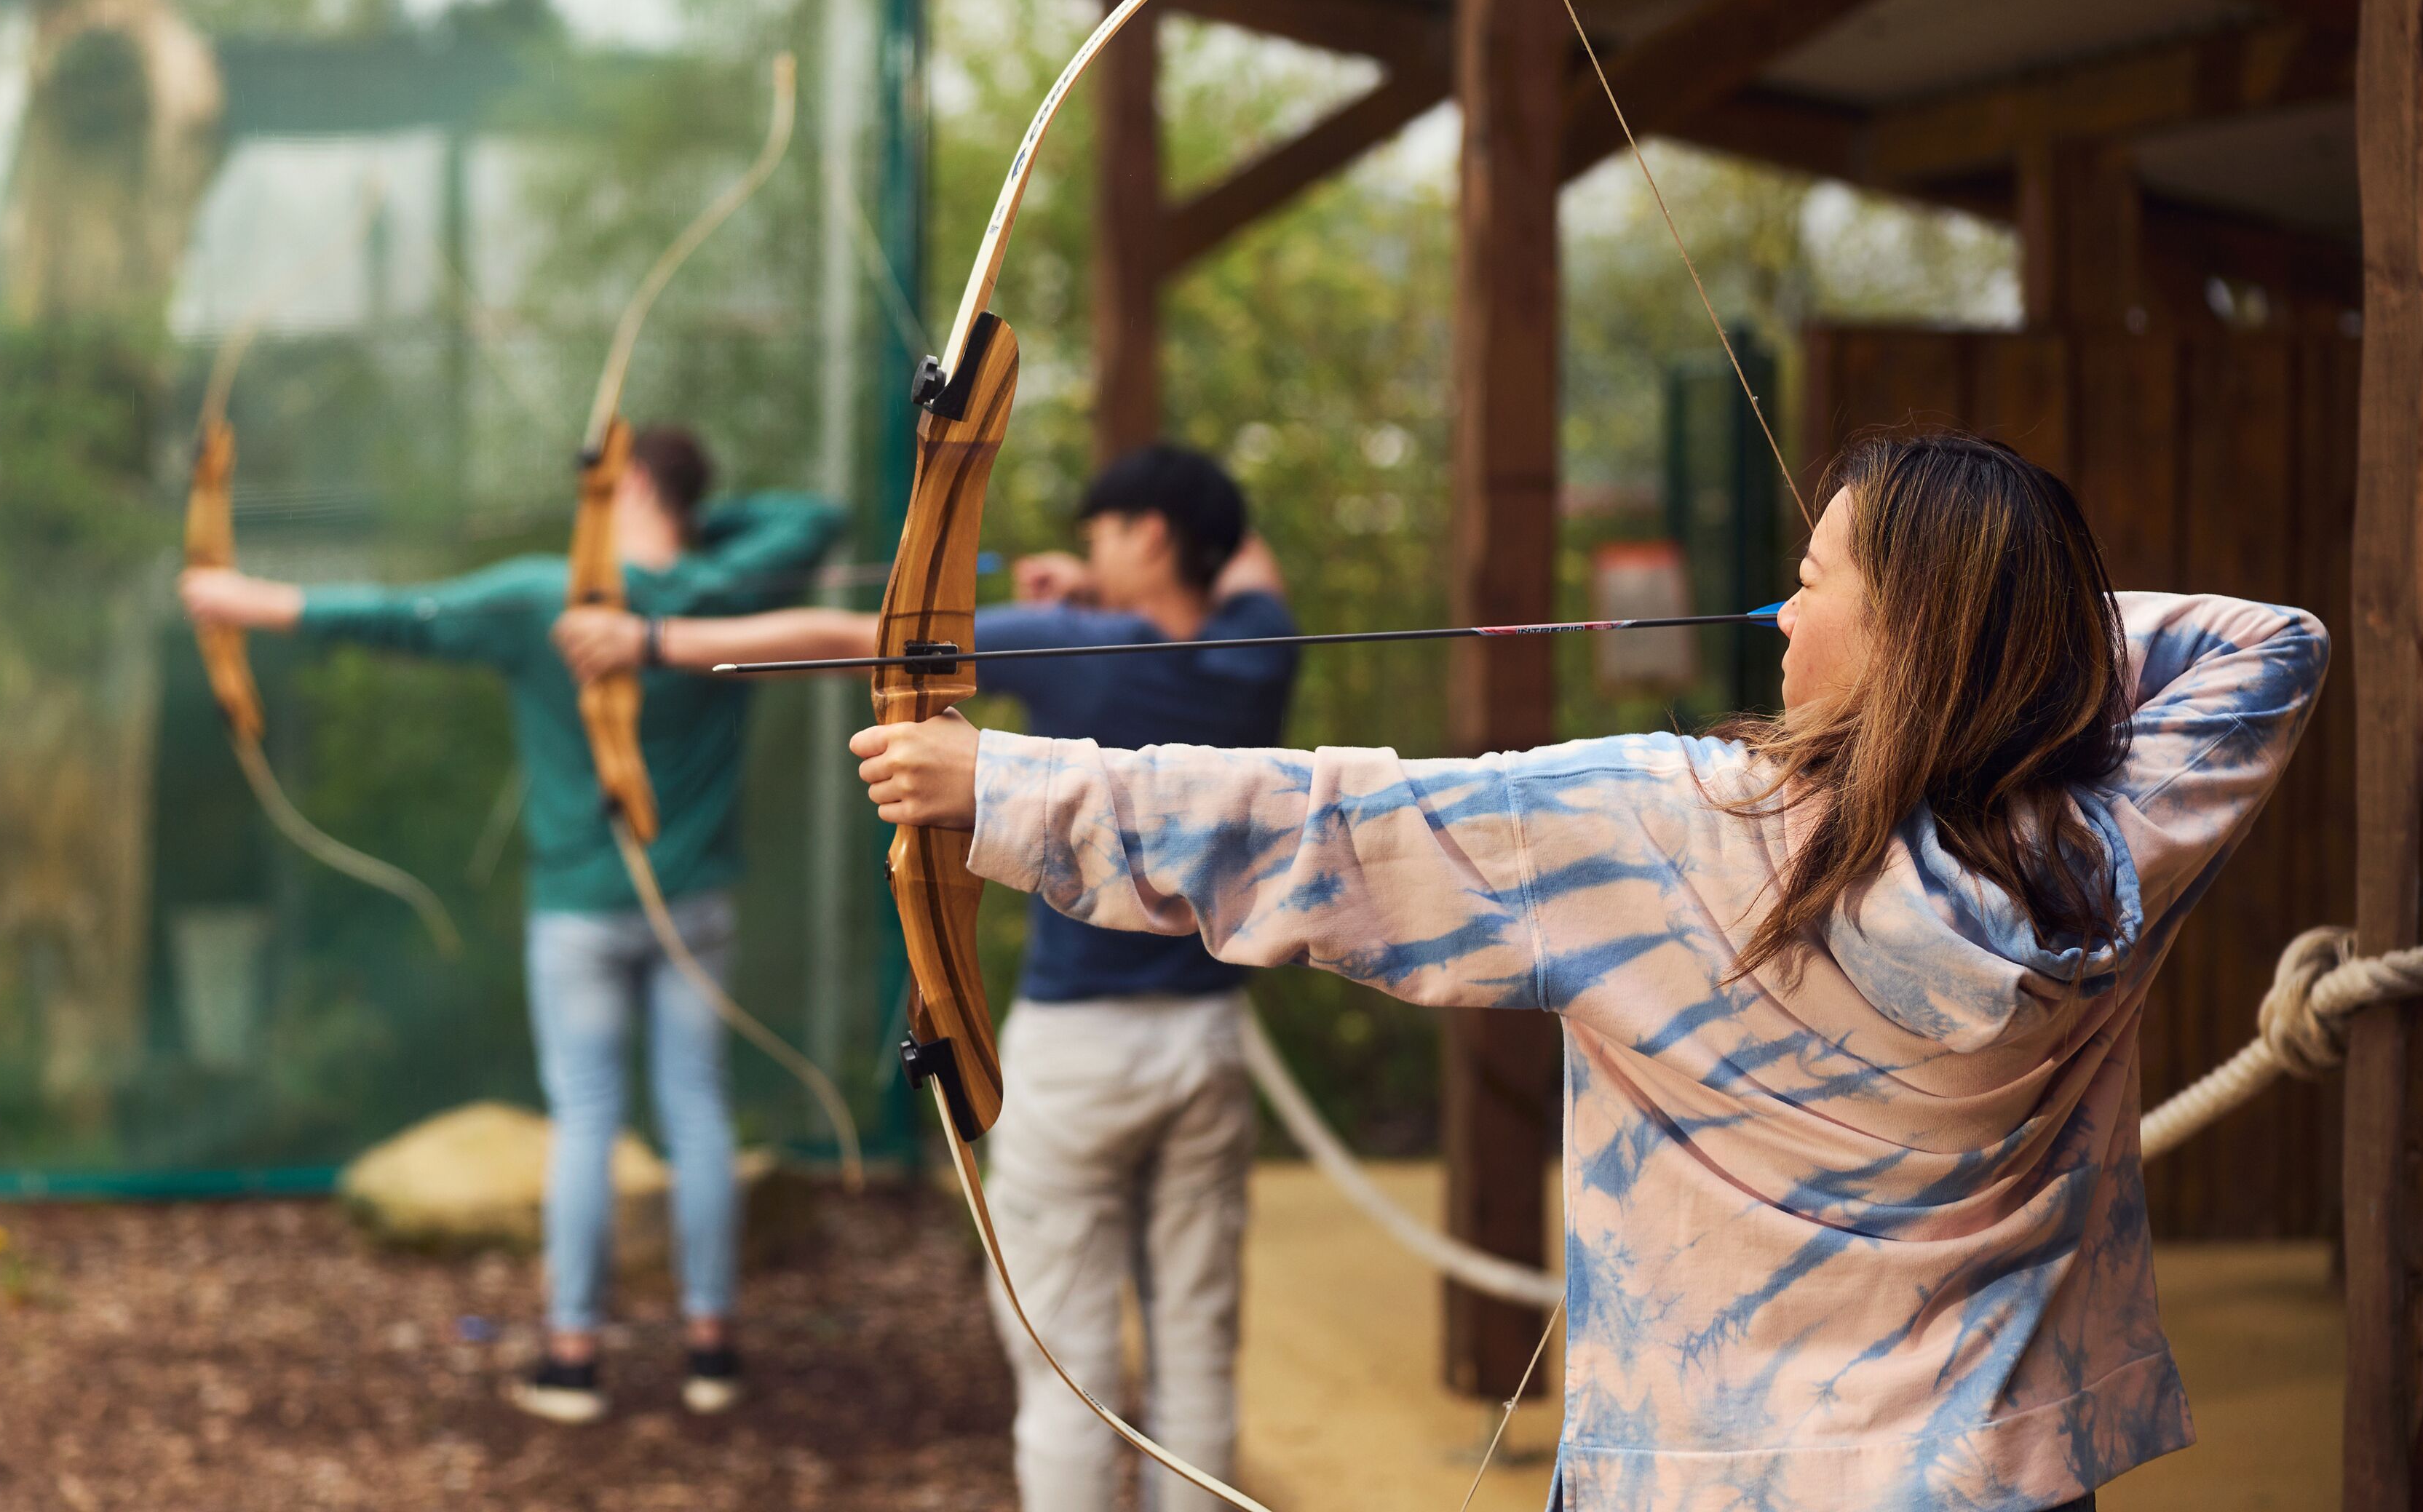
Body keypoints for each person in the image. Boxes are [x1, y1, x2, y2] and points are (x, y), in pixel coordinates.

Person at [849, 430, 2330, 1512]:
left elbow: (1340, 826)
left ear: (1911, 630)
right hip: (2007, 1474)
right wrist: (2015, 641)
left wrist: (1000, 786)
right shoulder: (2112, 831)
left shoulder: (1681, 821)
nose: (1783, 612)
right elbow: (2275, 640)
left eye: (1814, 581)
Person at [561, 442, 1297, 1512]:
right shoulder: (1257, 649)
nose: (1086, 550)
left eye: (1106, 530)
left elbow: (855, 638)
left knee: (1067, 1372)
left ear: (1148, 535)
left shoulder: (1079, 642)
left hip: (1080, 1053)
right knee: (1198, 1343)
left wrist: (652, 637)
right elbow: (1244, 564)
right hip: (1208, 1044)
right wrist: (1122, 572)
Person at [181, 425, 843, 1425]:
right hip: (692, 905)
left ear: (620, 487)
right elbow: (813, 521)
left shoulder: (549, 598)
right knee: (696, 1109)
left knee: (586, 1116)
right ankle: (713, 1348)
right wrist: (698, 541)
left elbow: (400, 617)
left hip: (579, 911)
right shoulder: (728, 591)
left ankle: (573, 1355)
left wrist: (248, 603)